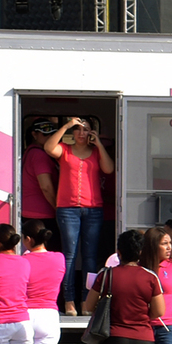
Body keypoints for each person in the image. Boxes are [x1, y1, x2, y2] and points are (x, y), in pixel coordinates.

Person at [45, 115, 113, 315]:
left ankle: (86, 300)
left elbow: (109, 168)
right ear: (72, 133)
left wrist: (98, 143)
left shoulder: (96, 152)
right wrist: (66, 125)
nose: (81, 133)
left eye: (85, 129)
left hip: (93, 209)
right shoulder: (64, 150)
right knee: (70, 255)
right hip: (68, 209)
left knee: (90, 257)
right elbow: (49, 147)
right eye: (78, 129)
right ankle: (69, 301)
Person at [20, 117, 60, 251]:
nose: (49, 137)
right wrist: (57, 208)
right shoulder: (39, 155)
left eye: (52, 134)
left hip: (29, 211)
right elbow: (46, 186)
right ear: (34, 134)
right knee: (49, 251)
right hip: (43, 214)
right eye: (44, 134)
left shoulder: (29, 152)